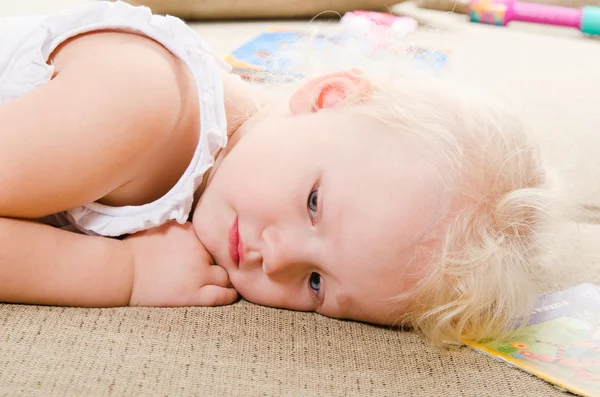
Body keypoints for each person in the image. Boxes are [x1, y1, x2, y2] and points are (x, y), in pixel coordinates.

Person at [0, 1, 561, 345]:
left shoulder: (224, 159)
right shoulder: (134, 106)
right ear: (327, 96)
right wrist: (121, 274)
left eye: (316, 283)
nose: (275, 254)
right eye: (314, 203)